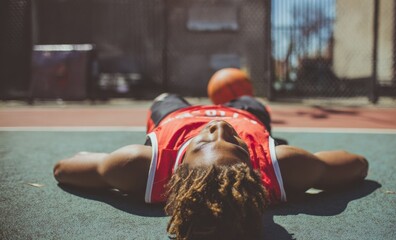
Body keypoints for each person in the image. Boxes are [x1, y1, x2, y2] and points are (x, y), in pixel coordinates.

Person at [53, 93, 368, 240]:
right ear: (253, 173)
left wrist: (105, 163)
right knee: (250, 98)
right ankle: (239, 96)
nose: (218, 129)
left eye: (201, 146)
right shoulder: (277, 167)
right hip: (246, 114)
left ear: (175, 178)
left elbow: (63, 169)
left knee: (165, 97)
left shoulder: (143, 167)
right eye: (237, 147)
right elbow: (357, 165)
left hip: (177, 114)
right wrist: (310, 165)